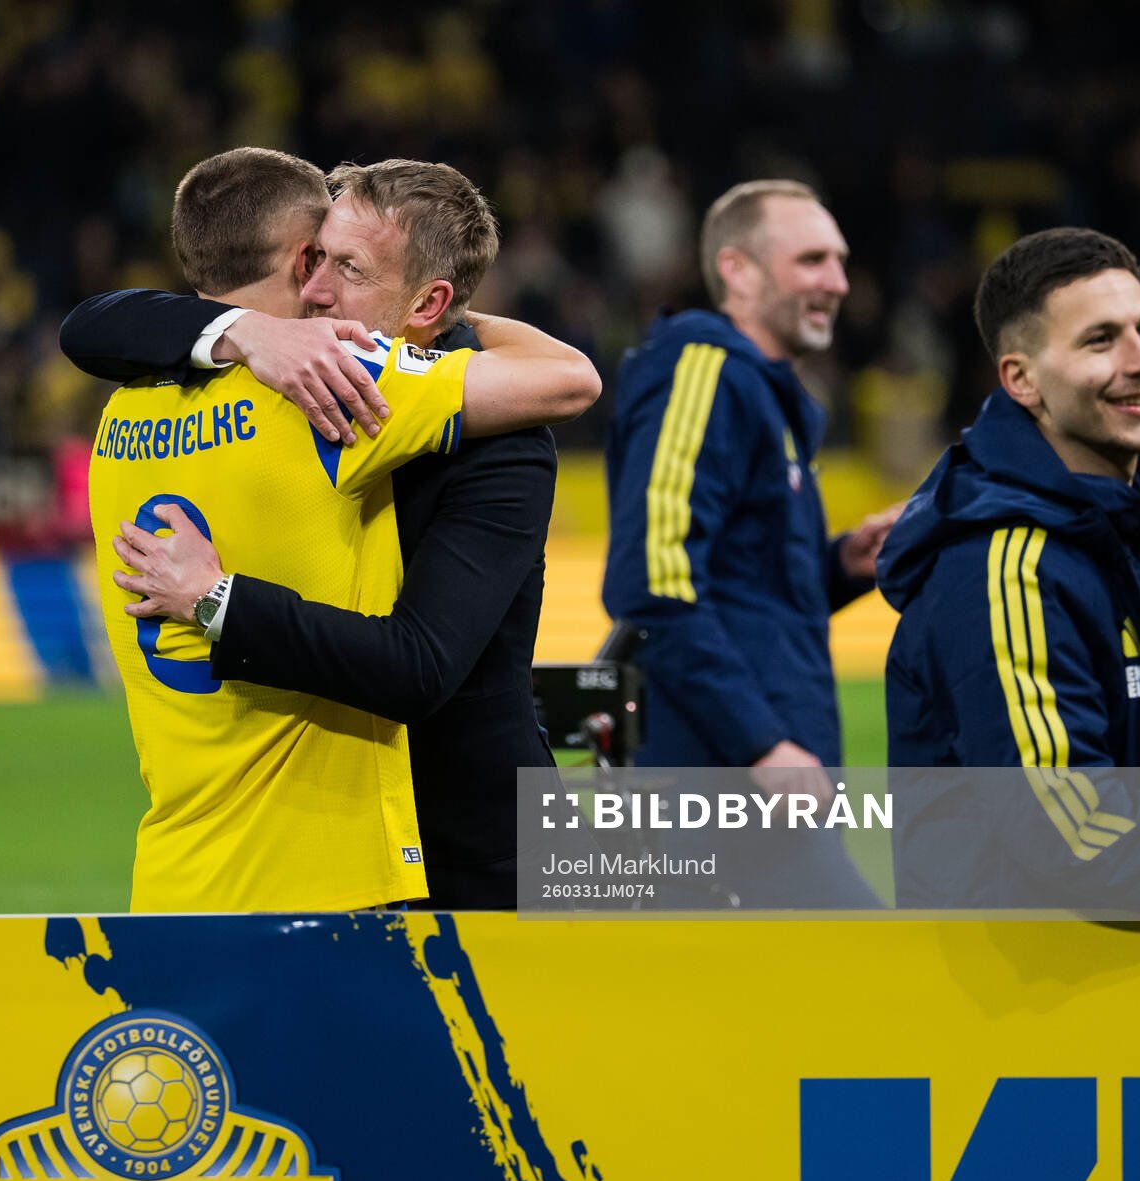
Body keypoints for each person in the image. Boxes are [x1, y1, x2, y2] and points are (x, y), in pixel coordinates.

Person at [86, 148, 599, 914]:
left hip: (478, 856)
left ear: (427, 306)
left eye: (349, 271)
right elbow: (94, 324)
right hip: (336, 847)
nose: (314, 290)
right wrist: (242, 330)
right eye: (315, 257)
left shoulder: (500, 435)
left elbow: (421, 665)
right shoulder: (275, 382)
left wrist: (218, 599)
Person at [879, 227, 1140, 910]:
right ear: (1021, 379)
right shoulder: (1003, 567)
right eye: (1100, 341)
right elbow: (1079, 841)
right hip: (1040, 1001)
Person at [600, 178, 893, 906]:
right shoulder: (703, 372)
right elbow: (653, 587)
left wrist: (838, 567)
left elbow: (740, 591)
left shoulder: (757, 393)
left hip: (750, 786)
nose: (839, 281)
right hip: (717, 783)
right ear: (737, 269)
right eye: (813, 260)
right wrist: (760, 741)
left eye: (840, 260)